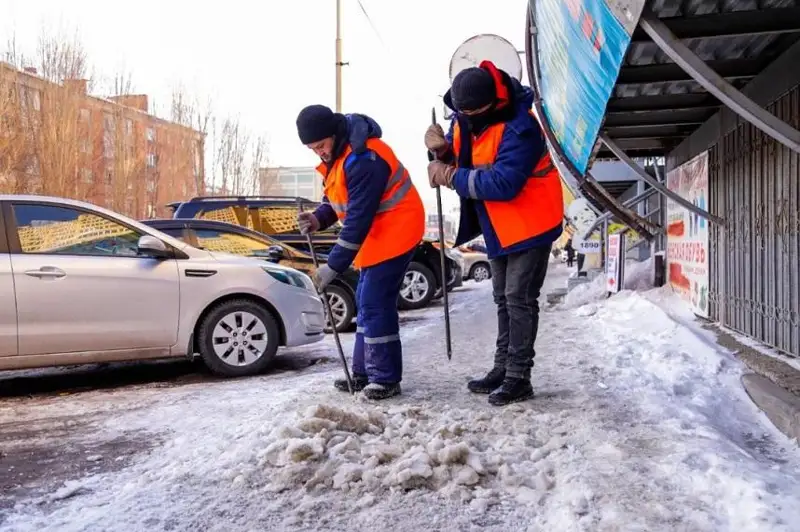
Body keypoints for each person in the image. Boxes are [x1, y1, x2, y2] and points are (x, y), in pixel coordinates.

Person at [425, 61, 564, 406]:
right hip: (500, 225)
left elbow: (504, 183)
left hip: (532, 222)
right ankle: (502, 368)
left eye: (471, 112)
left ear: (490, 104)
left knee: (518, 297)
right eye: (460, 112)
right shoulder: (465, 118)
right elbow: (464, 156)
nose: (465, 117)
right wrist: (442, 150)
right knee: (502, 296)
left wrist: (448, 174)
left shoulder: (521, 127)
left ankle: (519, 377)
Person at [295, 104, 425, 400]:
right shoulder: (340, 157)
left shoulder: (364, 158)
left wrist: (333, 266)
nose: (320, 153)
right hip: (377, 235)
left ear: (334, 133)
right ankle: (364, 372)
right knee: (365, 300)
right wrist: (318, 218)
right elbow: (338, 199)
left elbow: (358, 218)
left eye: (321, 145)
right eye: (313, 149)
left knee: (375, 302)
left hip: (397, 228)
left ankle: (386, 378)